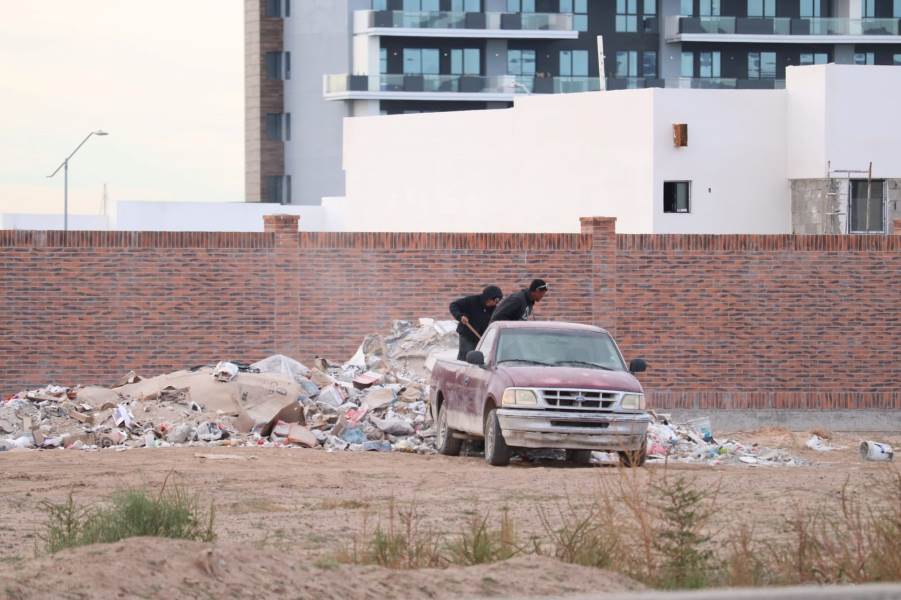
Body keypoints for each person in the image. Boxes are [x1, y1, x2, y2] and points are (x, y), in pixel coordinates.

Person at [449, 285, 503, 361]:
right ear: (488, 298)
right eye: (495, 300)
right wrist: (460, 316)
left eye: (498, 301)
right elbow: (454, 305)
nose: (496, 303)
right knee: (466, 356)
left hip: (481, 336)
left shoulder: (493, 309)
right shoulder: (472, 301)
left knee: (479, 358)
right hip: (467, 334)